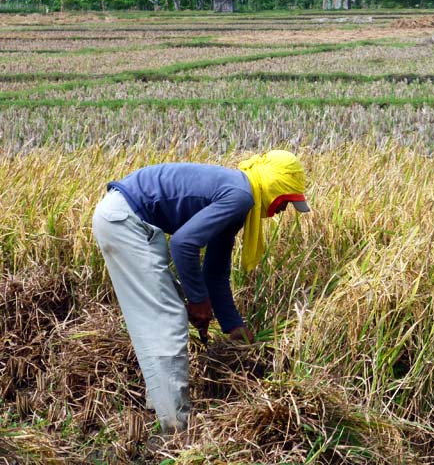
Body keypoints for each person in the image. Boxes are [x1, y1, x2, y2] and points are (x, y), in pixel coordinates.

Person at [91, 150, 310, 433]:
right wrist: (197, 301)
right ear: (276, 189)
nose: (283, 211)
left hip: (124, 218)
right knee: (167, 320)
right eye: (287, 202)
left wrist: (234, 326)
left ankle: (158, 411)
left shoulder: (238, 195)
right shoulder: (241, 196)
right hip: (126, 221)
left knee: (159, 319)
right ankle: (175, 431)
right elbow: (182, 245)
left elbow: (215, 273)